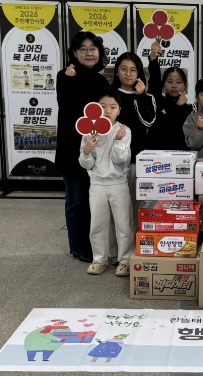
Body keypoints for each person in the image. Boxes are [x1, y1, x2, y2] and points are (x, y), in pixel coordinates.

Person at [55, 31, 109, 263]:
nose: (89, 53)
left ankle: (96, 245)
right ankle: (79, 247)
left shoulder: (101, 81)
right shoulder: (65, 75)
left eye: (93, 48)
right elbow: (67, 105)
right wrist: (69, 79)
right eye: (83, 49)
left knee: (94, 201)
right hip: (72, 148)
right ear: (74, 53)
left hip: (95, 149)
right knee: (76, 200)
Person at [79, 87, 134, 276]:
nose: (108, 111)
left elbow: (121, 160)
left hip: (118, 183)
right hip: (97, 184)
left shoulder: (124, 131)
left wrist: (118, 141)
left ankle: (125, 259)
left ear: (119, 110)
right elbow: (86, 164)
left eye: (113, 107)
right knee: (98, 223)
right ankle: (99, 258)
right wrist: (87, 150)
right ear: (95, 108)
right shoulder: (88, 131)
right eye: (102, 106)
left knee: (123, 224)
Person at [111, 52, 156, 216]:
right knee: (116, 208)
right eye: (124, 69)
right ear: (117, 71)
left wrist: (140, 97)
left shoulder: (147, 97)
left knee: (138, 207)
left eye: (133, 70)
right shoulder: (110, 96)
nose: (128, 74)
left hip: (137, 160)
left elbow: (148, 122)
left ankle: (137, 233)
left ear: (139, 73)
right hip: (112, 160)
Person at [145, 40, 194, 150]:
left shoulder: (190, 108)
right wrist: (153, 59)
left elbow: (186, 134)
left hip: (181, 155)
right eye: (169, 81)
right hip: (156, 154)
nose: (174, 86)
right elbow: (154, 83)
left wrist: (180, 108)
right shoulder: (157, 102)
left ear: (185, 86)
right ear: (163, 84)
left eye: (178, 82)